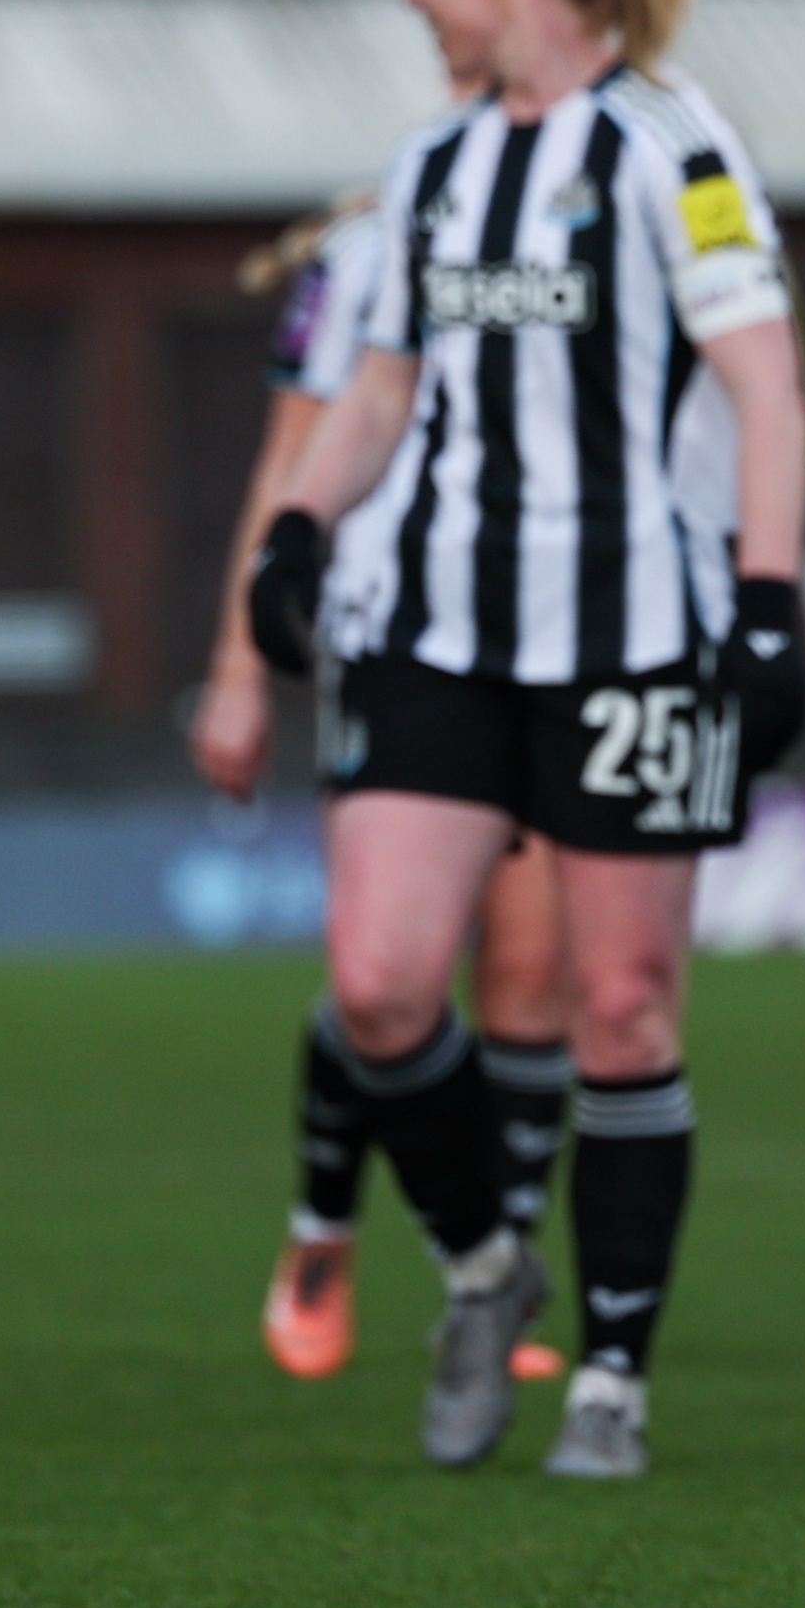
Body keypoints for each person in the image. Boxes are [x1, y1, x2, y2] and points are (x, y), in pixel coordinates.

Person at [243, 0, 805, 1481]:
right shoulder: (427, 168)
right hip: (432, 627)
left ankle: (615, 1372)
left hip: (634, 633)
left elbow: (763, 381)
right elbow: (376, 389)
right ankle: (490, 1262)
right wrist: (294, 528)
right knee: (375, 982)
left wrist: (764, 602)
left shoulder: (668, 143)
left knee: (621, 1004)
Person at [197, 187, 573, 1391]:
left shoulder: (616, 210)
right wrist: (239, 664)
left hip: (556, 635)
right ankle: (324, 1223)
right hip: (391, 638)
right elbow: (286, 459)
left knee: (524, 965)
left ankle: (492, 1271)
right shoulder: (375, 246)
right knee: (384, 974)